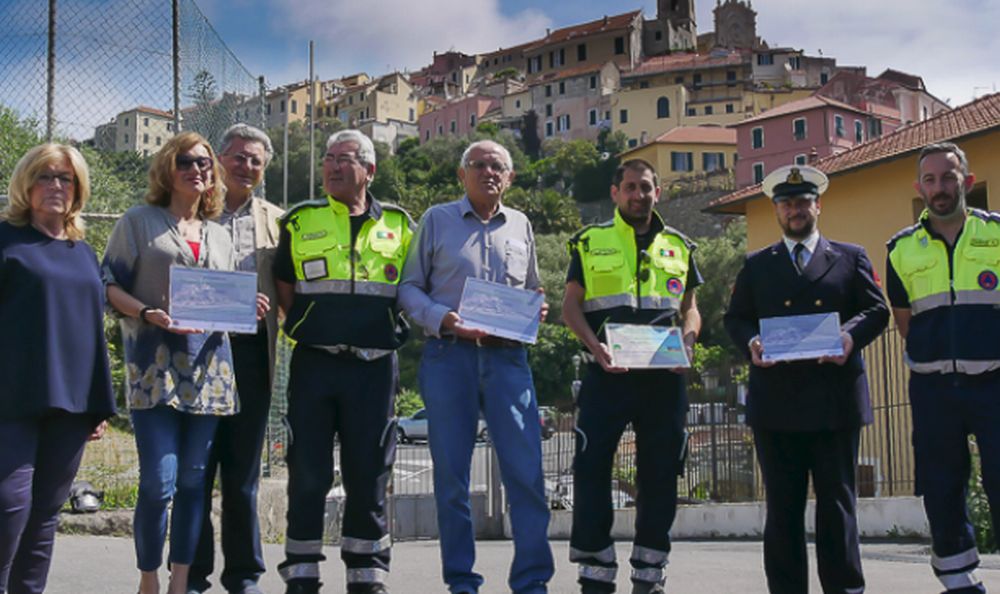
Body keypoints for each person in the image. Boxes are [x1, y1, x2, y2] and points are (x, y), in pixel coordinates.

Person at [103, 132, 262, 594]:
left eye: (206, 164)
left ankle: (180, 582)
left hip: (210, 374)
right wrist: (146, 312)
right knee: (159, 482)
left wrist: (246, 307)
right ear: (167, 170)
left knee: (194, 484)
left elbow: (222, 300)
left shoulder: (218, 233)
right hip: (153, 369)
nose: (199, 170)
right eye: (187, 162)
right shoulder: (138, 222)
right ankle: (148, 577)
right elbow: (107, 283)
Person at [399, 139, 554, 594]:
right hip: (450, 357)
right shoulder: (435, 219)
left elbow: (533, 289)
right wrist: (442, 319)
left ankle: (532, 582)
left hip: (509, 359)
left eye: (498, 167)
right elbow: (408, 289)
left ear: (510, 178)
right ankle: (462, 582)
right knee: (452, 478)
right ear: (462, 175)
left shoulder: (521, 225)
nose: (489, 172)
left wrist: (536, 310)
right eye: (479, 165)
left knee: (526, 474)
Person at [724, 165, 888, 594]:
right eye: (786, 203)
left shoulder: (850, 257)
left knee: (837, 507)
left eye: (802, 202)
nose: (795, 210)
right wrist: (753, 342)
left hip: (834, 401)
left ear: (818, 205)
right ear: (777, 210)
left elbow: (877, 310)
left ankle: (845, 589)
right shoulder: (757, 265)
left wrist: (850, 337)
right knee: (783, 511)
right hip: (776, 405)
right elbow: (736, 319)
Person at [273, 129, 412, 594]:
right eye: (328, 158)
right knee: (308, 473)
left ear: (369, 171)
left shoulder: (400, 225)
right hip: (315, 366)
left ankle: (367, 576)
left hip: (374, 370)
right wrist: (309, 327)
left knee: (369, 475)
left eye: (345, 159)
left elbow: (416, 288)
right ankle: (302, 575)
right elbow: (284, 289)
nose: (332, 166)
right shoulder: (299, 221)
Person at [562, 158, 701, 594]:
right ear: (615, 193)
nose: (638, 194)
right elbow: (571, 307)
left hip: (663, 379)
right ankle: (595, 572)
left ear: (657, 193)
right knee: (590, 469)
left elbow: (691, 308)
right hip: (607, 373)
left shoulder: (680, 246)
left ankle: (649, 572)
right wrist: (594, 346)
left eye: (646, 187)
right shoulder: (589, 241)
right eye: (630, 187)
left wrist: (690, 343)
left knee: (661, 475)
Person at [0, 144, 116, 594]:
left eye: (65, 179)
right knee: (9, 506)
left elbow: (89, 330)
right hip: (10, 399)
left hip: (71, 404)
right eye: (45, 176)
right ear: (26, 184)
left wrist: (98, 402)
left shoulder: (83, 252)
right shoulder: (6, 240)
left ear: (78, 190)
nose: (55, 185)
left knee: (46, 514)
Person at [885, 142, 1000, 593]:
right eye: (930, 180)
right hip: (932, 388)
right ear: (919, 188)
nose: (940, 188)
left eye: (948, 177)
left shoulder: (996, 235)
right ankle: (959, 582)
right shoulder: (899, 249)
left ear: (967, 182)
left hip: (995, 382)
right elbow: (903, 319)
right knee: (942, 487)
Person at [186, 123, 285, 594]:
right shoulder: (188, 210)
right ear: (219, 160)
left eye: (255, 160)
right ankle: (192, 574)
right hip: (194, 353)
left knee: (242, 476)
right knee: (196, 473)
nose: (245, 166)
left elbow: (290, 292)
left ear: (263, 171)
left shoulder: (278, 221)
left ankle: (244, 575)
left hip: (249, 356)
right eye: (238, 156)